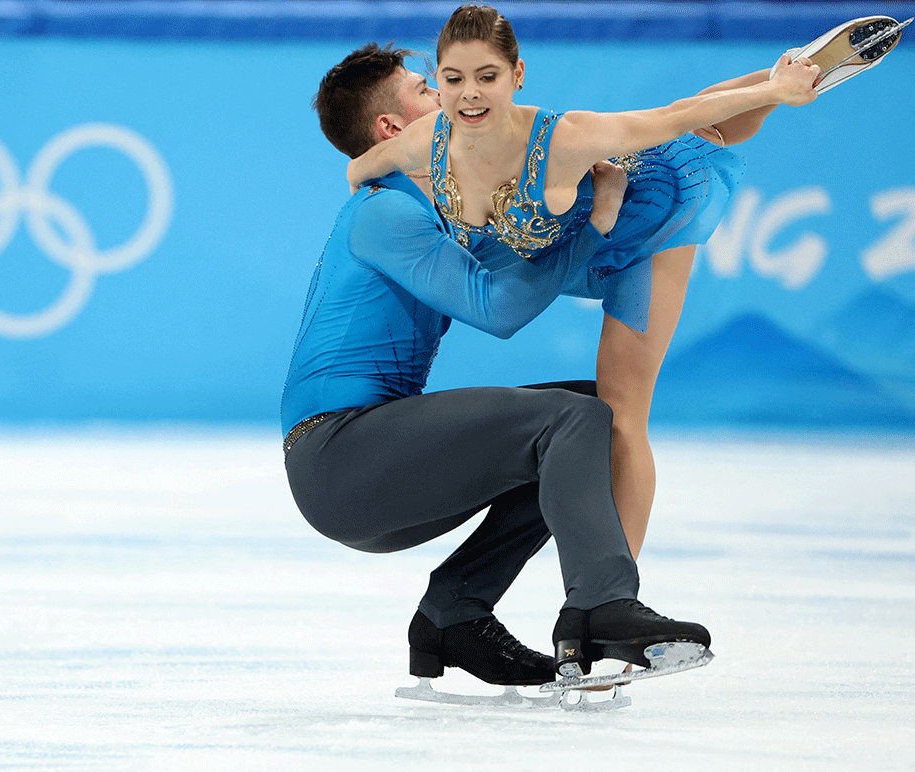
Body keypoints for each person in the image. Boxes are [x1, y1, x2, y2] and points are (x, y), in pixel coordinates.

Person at [346, 5, 881, 562]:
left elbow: (678, 115)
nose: (468, 95)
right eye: (452, 79)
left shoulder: (565, 138)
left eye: (487, 77)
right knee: (701, 122)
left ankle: (614, 598)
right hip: (585, 244)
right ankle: (786, 75)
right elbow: (359, 169)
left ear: (517, 76)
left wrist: (778, 93)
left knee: (623, 410)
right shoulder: (428, 141)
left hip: (649, 216)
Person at [282, 42, 710, 694]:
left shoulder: (442, 216)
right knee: (567, 423)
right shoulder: (385, 213)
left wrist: (625, 223)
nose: (452, 99)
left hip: (369, 466)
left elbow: (540, 273)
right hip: (339, 460)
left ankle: (454, 612)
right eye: (428, 90)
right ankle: (599, 604)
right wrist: (595, 222)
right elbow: (499, 306)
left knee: (589, 416)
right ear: (393, 131)